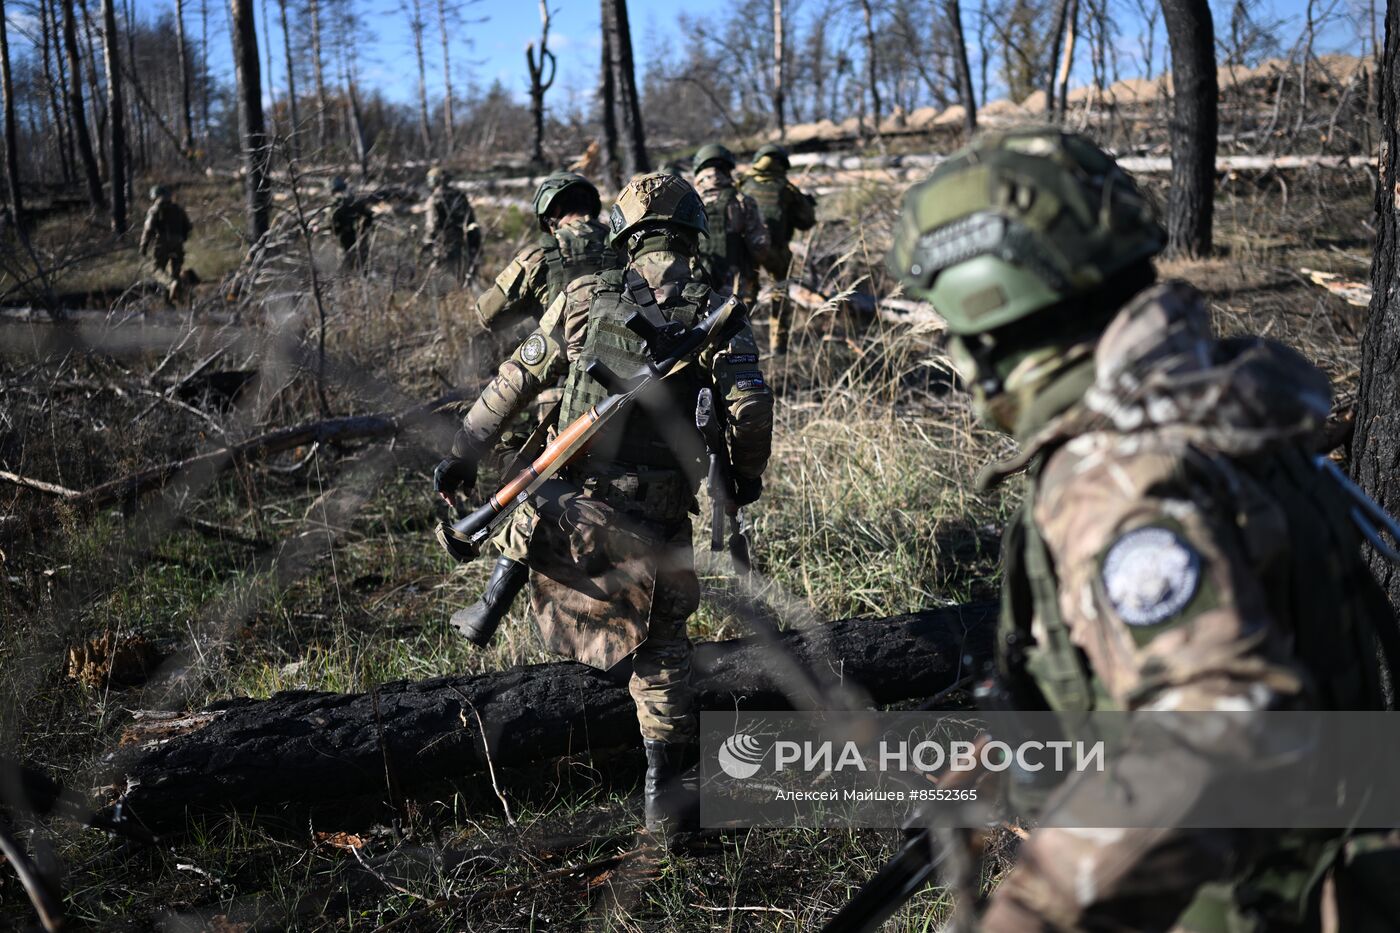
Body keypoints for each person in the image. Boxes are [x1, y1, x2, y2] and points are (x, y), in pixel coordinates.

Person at [887, 126, 1400, 931]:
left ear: (991, 305)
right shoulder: (1213, 403)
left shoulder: (1115, 477)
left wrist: (1036, 908)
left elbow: (1222, 722)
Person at [433, 172, 774, 835]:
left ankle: (498, 597)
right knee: (664, 650)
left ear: (622, 226)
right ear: (693, 226)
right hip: (660, 516)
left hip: (572, 508)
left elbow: (515, 379)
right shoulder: (716, 306)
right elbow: (751, 407)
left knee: (534, 505)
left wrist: (464, 451)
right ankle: (663, 802)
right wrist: (745, 476)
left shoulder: (585, 294)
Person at [451, 172, 620, 645]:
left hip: (558, 399)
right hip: (629, 399)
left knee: (537, 496)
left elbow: (487, 313)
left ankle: (493, 606)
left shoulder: (540, 255)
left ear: (549, 219)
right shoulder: (625, 246)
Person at [474, 171, 618, 333]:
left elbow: (487, 315)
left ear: (554, 211)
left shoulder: (536, 257)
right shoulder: (625, 245)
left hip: (565, 355)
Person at [737, 143, 815, 355]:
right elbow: (806, 222)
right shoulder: (787, 188)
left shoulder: (743, 183)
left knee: (745, 297)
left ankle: (739, 344)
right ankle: (778, 346)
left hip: (748, 250)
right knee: (780, 292)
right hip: (777, 251)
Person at [691, 143, 769, 302]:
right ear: (727, 169)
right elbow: (760, 245)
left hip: (693, 284)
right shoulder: (742, 201)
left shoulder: (687, 201)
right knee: (737, 325)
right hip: (733, 285)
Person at [421, 166, 481, 283]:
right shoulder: (460, 196)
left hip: (442, 245)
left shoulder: (433, 200)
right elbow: (471, 220)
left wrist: (426, 244)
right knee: (462, 278)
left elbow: (431, 227)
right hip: (462, 243)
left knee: (441, 282)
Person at [139, 185, 193, 301]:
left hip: (162, 242)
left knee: (156, 269)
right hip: (178, 242)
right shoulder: (178, 208)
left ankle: (171, 284)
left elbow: (148, 228)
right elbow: (188, 226)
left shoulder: (155, 209)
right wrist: (181, 239)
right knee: (175, 271)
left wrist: (143, 245)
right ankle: (172, 300)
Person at [329, 176, 374, 271]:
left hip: (355, 237)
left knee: (355, 263)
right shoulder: (339, 204)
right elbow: (332, 223)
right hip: (347, 237)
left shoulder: (349, 203)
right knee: (349, 263)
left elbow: (368, 215)